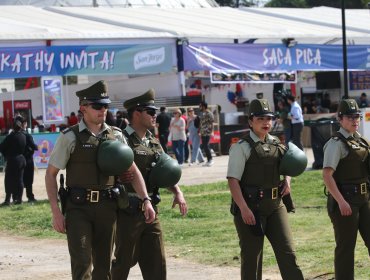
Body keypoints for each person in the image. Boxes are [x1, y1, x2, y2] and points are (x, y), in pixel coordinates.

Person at [44, 80, 155, 280]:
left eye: (105, 106)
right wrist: (55, 212)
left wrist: (145, 199)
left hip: (107, 207)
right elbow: (50, 174)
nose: (102, 110)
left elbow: (134, 169)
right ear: (83, 108)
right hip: (78, 209)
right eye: (97, 106)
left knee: (103, 268)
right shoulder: (70, 137)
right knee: (82, 263)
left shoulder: (117, 136)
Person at [112, 89, 188, 280]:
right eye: (151, 112)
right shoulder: (121, 139)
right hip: (127, 210)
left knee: (156, 262)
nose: (155, 116)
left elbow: (162, 171)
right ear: (136, 113)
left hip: (150, 210)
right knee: (123, 261)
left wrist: (177, 191)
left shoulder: (153, 142)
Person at [227, 99, 304, 280]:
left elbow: (288, 166)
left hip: (275, 206)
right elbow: (232, 181)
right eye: (261, 118)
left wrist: (287, 180)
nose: (266, 123)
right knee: (252, 258)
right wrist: (244, 209)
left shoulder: (276, 143)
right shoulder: (241, 147)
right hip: (251, 208)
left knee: (288, 253)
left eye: (269, 118)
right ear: (250, 121)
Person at [322, 99, 370, 280]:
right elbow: (327, 176)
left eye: (357, 116)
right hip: (345, 201)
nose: (355, 120)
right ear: (340, 119)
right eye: (350, 117)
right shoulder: (336, 144)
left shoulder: (362, 141)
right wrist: (341, 201)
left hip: (365, 199)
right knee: (346, 248)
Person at [0, 116, 27, 206]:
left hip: (12, 160)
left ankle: (8, 200)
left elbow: (2, 147)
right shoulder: (23, 136)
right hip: (21, 159)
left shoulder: (10, 137)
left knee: (8, 180)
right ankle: (19, 199)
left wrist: (6, 155)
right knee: (19, 180)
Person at [21, 118, 38, 203]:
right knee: (28, 179)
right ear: (24, 124)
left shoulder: (14, 135)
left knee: (19, 179)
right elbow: (34, 147)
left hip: (19, 159)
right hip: (27, 159)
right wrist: (36, 146)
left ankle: (18, 197)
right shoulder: (27, 135)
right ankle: (30, 196)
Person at [199, 101, 214, 166]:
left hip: (207, 132)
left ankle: (210, 159)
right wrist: (200, 131)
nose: (199, 107)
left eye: (200, 106)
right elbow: (201, 123)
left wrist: (212, 131)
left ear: (203, 106)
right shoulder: (202, 113)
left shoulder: (209, 113)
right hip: (203, 132)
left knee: (206, 146)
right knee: (205, 146)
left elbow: (212, 123)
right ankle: (208, 160)